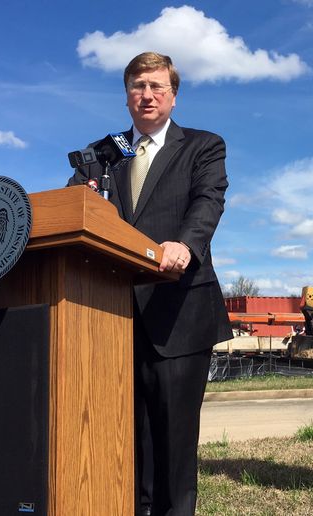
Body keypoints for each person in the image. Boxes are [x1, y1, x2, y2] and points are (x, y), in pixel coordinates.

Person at [67, 51, 232, 516]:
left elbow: (208, 201)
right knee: (125, 428)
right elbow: (72, 210)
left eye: (158, 86)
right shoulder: (103, 153)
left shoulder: (203, 145)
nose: (147, 94)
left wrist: (185, 244)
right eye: (138, 86)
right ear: (126, 97)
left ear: (173, 97)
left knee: (174, 432)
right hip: (111, 311)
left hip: (177, 305)